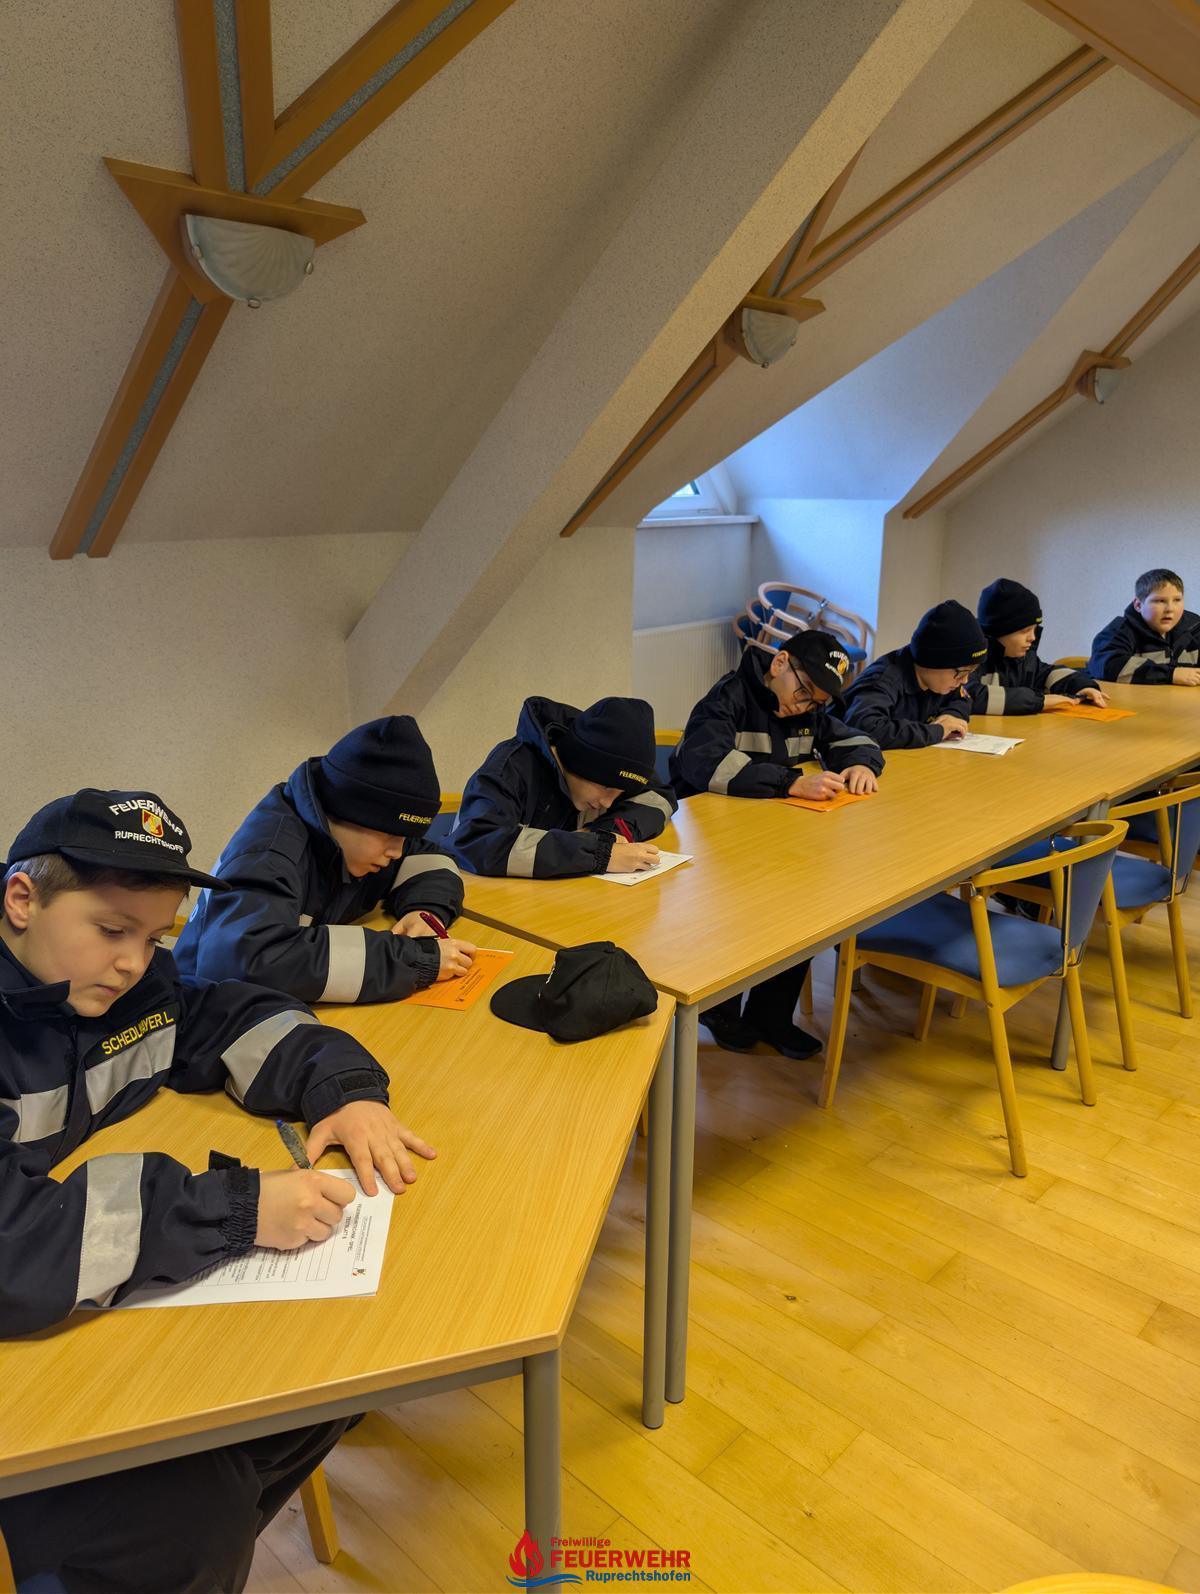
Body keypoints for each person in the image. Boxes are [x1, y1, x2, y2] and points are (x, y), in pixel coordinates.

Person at [0, 788, 435, 1591]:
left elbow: (233, 1016)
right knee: (189, 1518)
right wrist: (235, 1209)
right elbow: (12, 1245)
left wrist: (344, 1090)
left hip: (84, 1314)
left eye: (156, 936)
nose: (135, 963)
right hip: (26, 1355)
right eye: (112, 931)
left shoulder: (121, 987)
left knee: (330, 1381)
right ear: (22, 900)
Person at [670, 630, 883, 1059]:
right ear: (780, 662)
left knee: (804, 908)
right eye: (804, 692)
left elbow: (856, 738)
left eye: (817, 702)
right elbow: (702, 763)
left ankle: (771, 1016)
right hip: (712, 845)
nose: (805, 706)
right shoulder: (727, 699)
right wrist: (790, 782)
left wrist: (861, 763)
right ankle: (719, 1010)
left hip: (772, 837)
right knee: (737, 917)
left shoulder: (808, 709)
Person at [174, 717, 473, 1004]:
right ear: (349, 811)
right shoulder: (269, 856)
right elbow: (247, 961)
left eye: (405, 838)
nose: (397, 851)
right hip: (203, 1014)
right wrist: (414, 960)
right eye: (391, 836)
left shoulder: (354, 838)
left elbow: (430, 858)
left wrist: (424, 909)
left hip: (283, 1003)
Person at [449, 696, 677, 877]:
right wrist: (599, 853)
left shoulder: (611, 762)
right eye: (607, 788)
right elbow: (478, 843)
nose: (608, 802)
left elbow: (660, 797)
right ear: (580, 763)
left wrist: (608, 832)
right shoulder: (510, 770)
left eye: (621, 792)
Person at [841, 600, 987, 748]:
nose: (965, 680)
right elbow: (865, 727)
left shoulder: (940, 681)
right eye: (961, 673)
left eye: (970, 673)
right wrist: (937, 731)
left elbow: (963, 699)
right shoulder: (883, 680)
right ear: (934, 661)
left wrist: (951, 715)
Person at [970, 578, 1107, 714]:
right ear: (998, 631)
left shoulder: (1024, 658)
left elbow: (1046, 673)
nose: (1032, 637)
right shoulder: (970, 660)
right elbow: (971, 696)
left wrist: (1082, 686)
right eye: (1025, 631)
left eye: (1034, 629)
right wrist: (1039, 701)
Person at [1088, 568, 1200, 686]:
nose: (1170, 609)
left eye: (1177, 600)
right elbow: (1108, 666)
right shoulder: (1118, 631)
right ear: (1138, 605)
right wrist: (1170, 675)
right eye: (1160, 601)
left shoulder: (1195, 627)